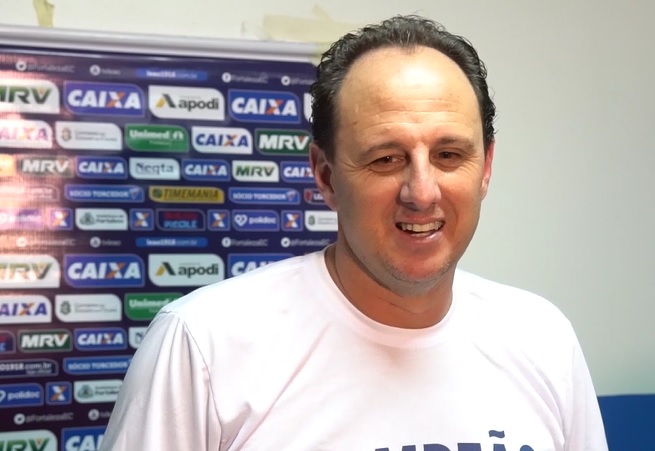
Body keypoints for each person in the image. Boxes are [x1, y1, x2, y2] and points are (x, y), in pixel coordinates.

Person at [101, 15, 608, 450]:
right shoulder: (204, 346)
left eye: (449, 154)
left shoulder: (543, 340)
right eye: (386, 158)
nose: (422, 192)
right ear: (326, 176)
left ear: (486, 168)